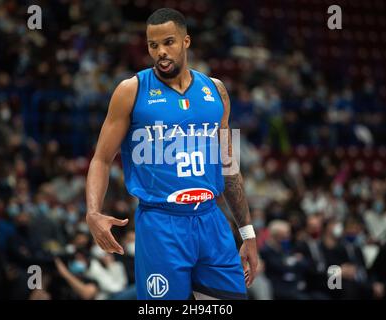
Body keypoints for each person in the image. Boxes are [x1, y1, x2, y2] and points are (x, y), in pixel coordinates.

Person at [85, 8, 257, 300]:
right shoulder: (131, 90)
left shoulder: (216, 90)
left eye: (168, 42)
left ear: (186, 41)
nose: (161, 52)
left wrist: (248, 234)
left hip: (211, 219)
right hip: (160, 223)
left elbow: (228, 165)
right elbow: (101, 158)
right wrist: (92, 212)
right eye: (153, 45)